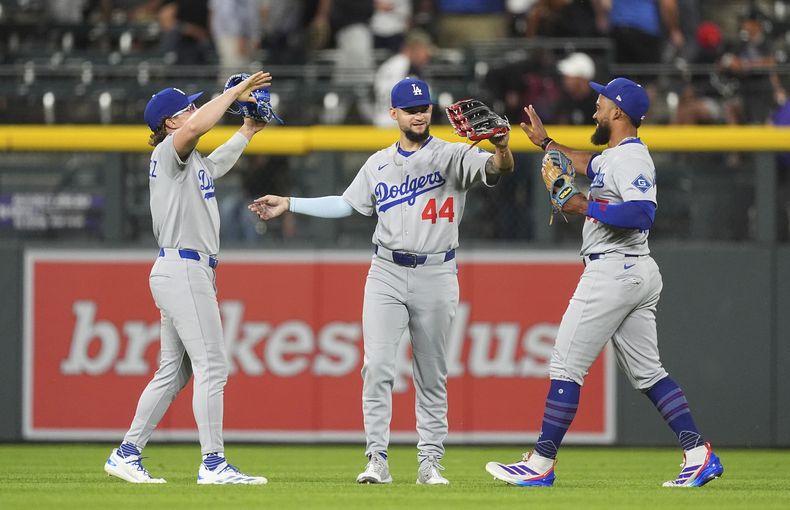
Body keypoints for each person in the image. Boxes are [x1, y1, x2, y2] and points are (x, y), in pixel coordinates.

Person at [249, 77, 514, 485]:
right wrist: (290, 203)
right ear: (393, 114)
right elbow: (345, 203)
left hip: (437, 271)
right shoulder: (377, 163)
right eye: (410, 109)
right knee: (376, 368)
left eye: (424, 107)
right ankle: (377, 458)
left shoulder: (453, 155)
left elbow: (499, 170)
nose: (419, 114)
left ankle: (430, 463)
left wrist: (501, 145)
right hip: (386, 272)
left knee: (432, 372)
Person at [485, 77, 724, 488]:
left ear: (617, 111)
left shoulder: (631, 159)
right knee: (648, 374)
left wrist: (580, 205)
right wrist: (547, 144)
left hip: (615, 268)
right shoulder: (615, 156)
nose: (594, 111)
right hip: (634, 270)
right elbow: (584, 162)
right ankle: (698, 454)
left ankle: (541, 463)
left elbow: (642, 214)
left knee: (564, 363)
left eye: (600, 104)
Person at [103, 71, 272, 485]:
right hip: (183, 268)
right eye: (188, 108)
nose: (195, 111)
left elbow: (215, 165)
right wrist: (234, 92)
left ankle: (127, 453)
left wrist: (247, 131)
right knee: (213, 365)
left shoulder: (189, 162)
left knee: (174, 373)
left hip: (183, 269)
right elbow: (199, 127)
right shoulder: (167, 151)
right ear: (171, 123)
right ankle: (213, 463)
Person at [372, 29, 434, 127]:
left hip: (382, 121)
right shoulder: (403, 65)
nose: (427, 55)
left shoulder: (392, 64)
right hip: (395, 125)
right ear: (414, 48)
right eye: (424, 50)